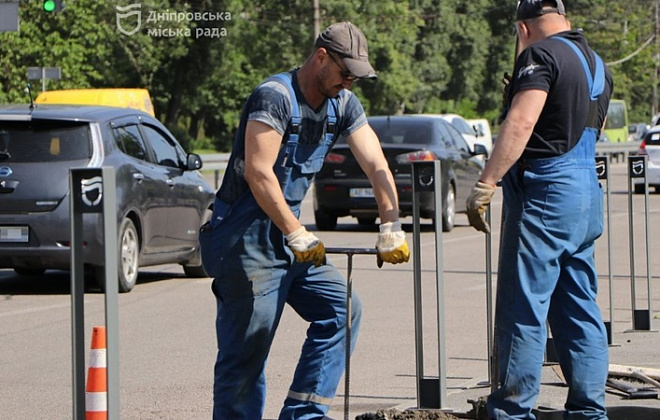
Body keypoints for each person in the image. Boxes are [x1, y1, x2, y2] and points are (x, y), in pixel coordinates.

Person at [199, 21, 410, 420]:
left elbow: (376, 164)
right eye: (345, 73)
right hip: (245, 242)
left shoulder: (343, 103)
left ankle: (303, 414)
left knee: (342, 311)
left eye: (356, 77)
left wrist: (389, 225)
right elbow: (259, 174)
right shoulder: (274, 98)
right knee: (246, 354)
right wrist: (295, 233)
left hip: (290, 237)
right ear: (321, 57)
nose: (349, 83)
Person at [465, 1, 613, 419]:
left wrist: (486, 183)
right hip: (585, 194)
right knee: (579, 306)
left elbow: (521, 122)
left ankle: (512, 411)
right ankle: (588, 411)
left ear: (523, 28)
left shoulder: (539, 54)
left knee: (523, 307)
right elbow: (591, 129)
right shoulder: (597, 65)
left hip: (547, 194)